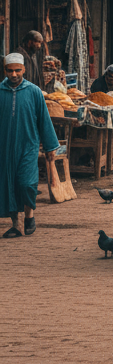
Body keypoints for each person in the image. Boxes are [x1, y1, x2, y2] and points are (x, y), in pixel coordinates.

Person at [1, 53, 60, 238]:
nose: (14, 74)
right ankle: (16, 224)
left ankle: (29, 216)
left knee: (27, 183)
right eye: (10, 71)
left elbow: (44, 120)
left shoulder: (34, 91)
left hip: (28, 146)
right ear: (5, 71)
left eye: (18, 70)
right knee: (9, 184)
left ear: (24, 69)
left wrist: (50, 147)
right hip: (5, 148)